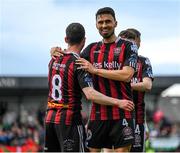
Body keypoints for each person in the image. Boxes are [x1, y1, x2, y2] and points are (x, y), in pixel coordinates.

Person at [50, 7, 138, 152]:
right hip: (98, 115)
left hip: (122, 111)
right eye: (101, 22)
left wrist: (95, 70)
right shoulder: (91, 49)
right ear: (96, 25)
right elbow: (71, 60)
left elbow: (127, 74)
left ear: (115, 23)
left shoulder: (128, 46)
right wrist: (54, 50)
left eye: (108, 21)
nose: (104, 25)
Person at [119, 29, 154, 152]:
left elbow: (147, 85)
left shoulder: (143, 61)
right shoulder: (113, 61)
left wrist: (125, 84)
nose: (137, 46)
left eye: (138, 43)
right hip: (115, 117)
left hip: (137, 118)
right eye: (136, 43)